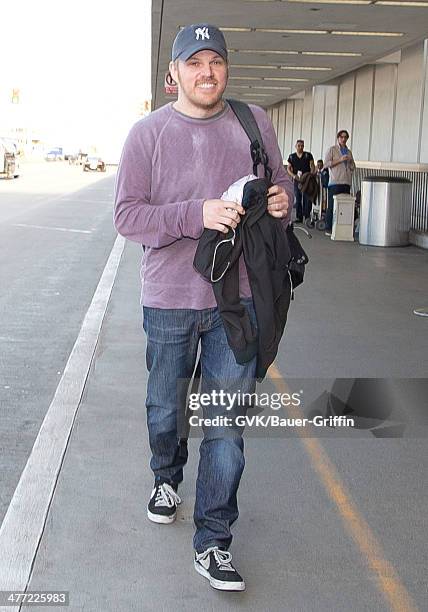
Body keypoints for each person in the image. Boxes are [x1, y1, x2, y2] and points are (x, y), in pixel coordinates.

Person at [114, 23, 292, 592]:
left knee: (225, 427)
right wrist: (198, 214)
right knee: (165, 408)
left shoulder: (253, 122)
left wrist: (285, 199)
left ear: (226, 69)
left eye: (215, 61)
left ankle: (213, 540)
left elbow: (279, 183)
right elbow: (128, 218)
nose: (206, 72)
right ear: (174, 76)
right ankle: (166, 476)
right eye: (194, 63)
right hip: (168, 300)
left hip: (238, 302)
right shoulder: (147, 134)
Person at [323, 130, 355, 236]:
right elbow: (326, 164)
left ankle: (342, 228)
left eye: (346, 137)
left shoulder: (349, 152)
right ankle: (328, 227)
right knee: (332, 205)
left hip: (346, 181)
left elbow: (353, 167)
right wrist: (340, 160)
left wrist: (350, 161)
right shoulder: (332, 150)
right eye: (342, 137)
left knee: (344, 206)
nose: (344, 139)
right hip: (335, 181)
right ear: (338, 138)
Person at [287, 140, 315, 223]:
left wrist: (311, 174)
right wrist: (293, 175)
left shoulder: (308, 155)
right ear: (295, 146)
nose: (300, 147)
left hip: (306, 179)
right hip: (297, 179)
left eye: (302, 146)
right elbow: (288, 168)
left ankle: (307, 216)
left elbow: (312, 166)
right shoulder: (292, 157)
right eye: (299, 145)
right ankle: (299, 217)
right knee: (298, 198)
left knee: (307, 198)